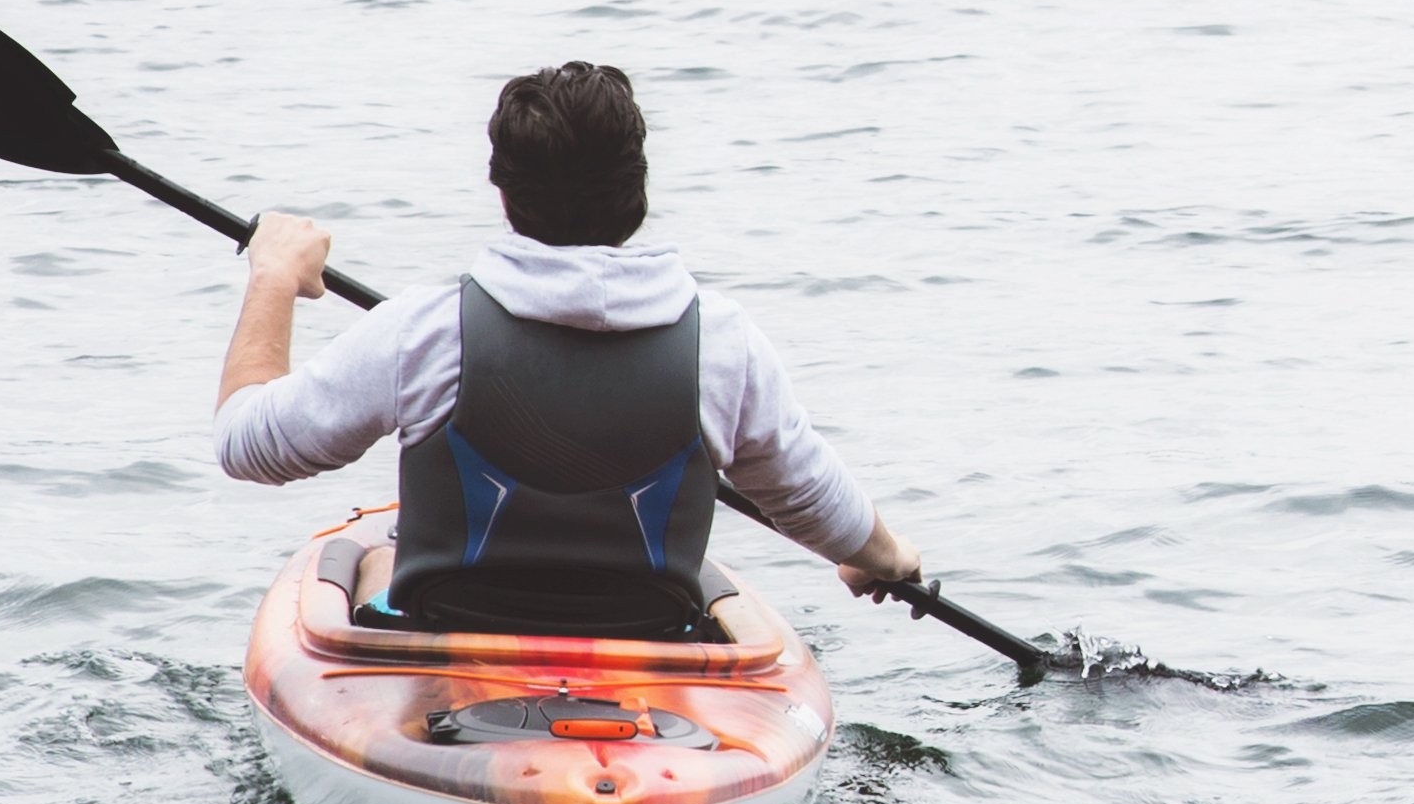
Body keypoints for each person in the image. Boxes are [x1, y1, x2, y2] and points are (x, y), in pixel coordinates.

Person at [211, 59, 929, 639]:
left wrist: (274, 275)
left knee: (369, 557)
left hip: (453, 635)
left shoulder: (424, 330)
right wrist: (883, 560)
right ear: (637, 190)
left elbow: (247, 445)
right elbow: (806, 496)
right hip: (645, 642)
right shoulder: (724, 344)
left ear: (503, 191)